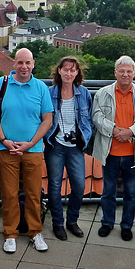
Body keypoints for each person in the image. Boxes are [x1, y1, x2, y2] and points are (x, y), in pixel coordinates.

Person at [0, 48, 53, 254]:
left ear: (33, 64)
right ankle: (10, 234)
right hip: (6, 149)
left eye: (28, 63)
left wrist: (31, 142)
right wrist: (4, 140)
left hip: (32, 150)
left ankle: (35, 232)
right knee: (9, 194)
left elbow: (48, 119)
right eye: (20, 63)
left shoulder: (41, 87)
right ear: (14, 64)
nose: (24, 67)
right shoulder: (3, 83)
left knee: (34, 194)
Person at [92, 56, 135, 241]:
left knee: (131, 193)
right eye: (122, 71)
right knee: (108, 191)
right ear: (115, 72)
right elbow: (96, 116)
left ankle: (126, 225)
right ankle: (107, 222)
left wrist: (130, 132)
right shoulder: (102, 93)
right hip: (110, 152)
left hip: (133, 153)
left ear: (134, 73)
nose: (125, 74)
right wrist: (114, 130)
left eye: (129, 71)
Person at [44, 56, 93, 240]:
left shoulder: (83, 93)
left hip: (75, 147)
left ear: (77, 73)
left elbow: (88, 122)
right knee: (55, 186)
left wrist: (83, 139)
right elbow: (43, 118)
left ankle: (72, 221)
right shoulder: (49, 93)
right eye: (65, 69)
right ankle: (58, 223)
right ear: (59, 71)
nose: (69, 73)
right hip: (54, 144)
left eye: (73, 70)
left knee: (79, 185)